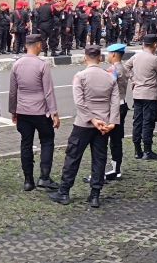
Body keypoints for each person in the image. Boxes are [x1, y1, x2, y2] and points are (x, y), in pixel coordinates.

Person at [48, 45, 119, 208]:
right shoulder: (110, 78)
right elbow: (115, 103)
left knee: (73, 156)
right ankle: (95, 195)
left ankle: (64, 192)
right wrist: (112, 123)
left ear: (85, 58)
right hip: (104, 124)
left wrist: (92, 120)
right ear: (100, 58)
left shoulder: (80, 76)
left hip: (83, 124)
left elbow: (79, 103)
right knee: (99, 159)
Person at [9, 34, 60, 192]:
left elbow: (12, 92)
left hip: (23, 110)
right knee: (47, 141)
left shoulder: (16, 65)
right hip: (40, 111)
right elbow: (48, 92)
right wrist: (54, 113)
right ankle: (44, 177)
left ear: (26, 46)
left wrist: (13, 110)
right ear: (38, 45)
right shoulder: (42, 65)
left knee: (26, 143)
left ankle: (28, 180)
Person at [84, 43, 130, 183]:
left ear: (113, 54)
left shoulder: (112, 70)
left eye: (109, 54)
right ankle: (116, 170)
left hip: (112, 108)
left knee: (101, 141)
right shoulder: (124, 68)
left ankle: (99, 174)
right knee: (116, 140)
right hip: (122, 105)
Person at [124, 34, 157, 160]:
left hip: (137, 94)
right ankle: (147, 151)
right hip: (149, 95)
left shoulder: (136, 56)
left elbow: (126, 67)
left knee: (137, 122)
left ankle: (137, 151)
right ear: (155, 44)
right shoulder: (154, 59)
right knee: (148, 123)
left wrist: (134, 78)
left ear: (143, 44)